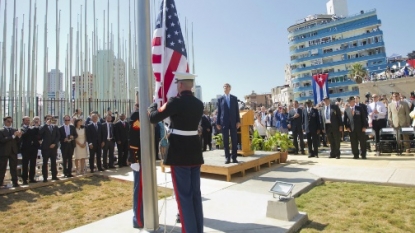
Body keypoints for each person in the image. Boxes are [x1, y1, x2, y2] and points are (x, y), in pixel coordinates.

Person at [148, 72, 204, 233]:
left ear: (180, 85)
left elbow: (154, 117)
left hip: (179, 155)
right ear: (191, 85)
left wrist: (152, 106)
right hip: (194, 153)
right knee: (195, 197)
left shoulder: (175, 102)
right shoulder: (199, 104)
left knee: (184, 198)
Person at [216, 83, 241, 164]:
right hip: (224, 122)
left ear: (230, 88)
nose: (225, 88)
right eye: (224, 87)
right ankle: (227, 158)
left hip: (233, 122)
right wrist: (218, 123)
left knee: (234, 140)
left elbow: (237, 111)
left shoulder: (234, 98)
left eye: (227, 87)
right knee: (225, 140)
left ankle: (234, 157)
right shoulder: (220, 99)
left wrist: (238, 121)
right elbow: (219, 112)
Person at [128, 103, 143, 228]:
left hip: (145, 158)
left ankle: (144, 216)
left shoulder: (144, 115)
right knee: (139, 190)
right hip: (139, 159)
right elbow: (133, 141)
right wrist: (135, 160)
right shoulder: (137, 116)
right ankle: (138, 219)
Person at [0, 116, 22, 187]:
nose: (9, 123)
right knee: (2, 168)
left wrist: (19, 136)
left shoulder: (14, 130)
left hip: (13, 151)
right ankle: (0, 183)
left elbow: (17, 141)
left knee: (13, 167)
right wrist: (13, 136)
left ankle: (15, 182)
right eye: (8, 121)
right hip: (4, 151)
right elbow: (2, 140)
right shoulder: (1, 130)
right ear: (5, 121)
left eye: (11, 121)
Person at [39, 115, 61, 182]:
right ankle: (45, 177)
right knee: (45, 162)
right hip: (46, 148)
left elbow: (58, 136)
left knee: (53, 162)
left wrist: (54, 143)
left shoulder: (55, 126)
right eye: (48, 119)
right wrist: (46, 125)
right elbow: (40, 133)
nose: (49, 120)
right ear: (45, 120)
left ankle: (54, 176)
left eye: (50, 119)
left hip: (53, 147)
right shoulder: (43, 127)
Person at [20, 116, 40, 184]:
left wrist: (36, 126)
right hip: (25, 148)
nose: (28, 121)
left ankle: (31, 178)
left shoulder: (32, 128)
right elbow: (25, 134)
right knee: (25, 164)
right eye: (26, 120)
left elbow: (37, 133)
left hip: (33, 148)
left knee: (33, 163)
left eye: (29, 120)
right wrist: (30, 127)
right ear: (23, 121)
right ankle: (24, 179)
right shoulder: (22, 128)